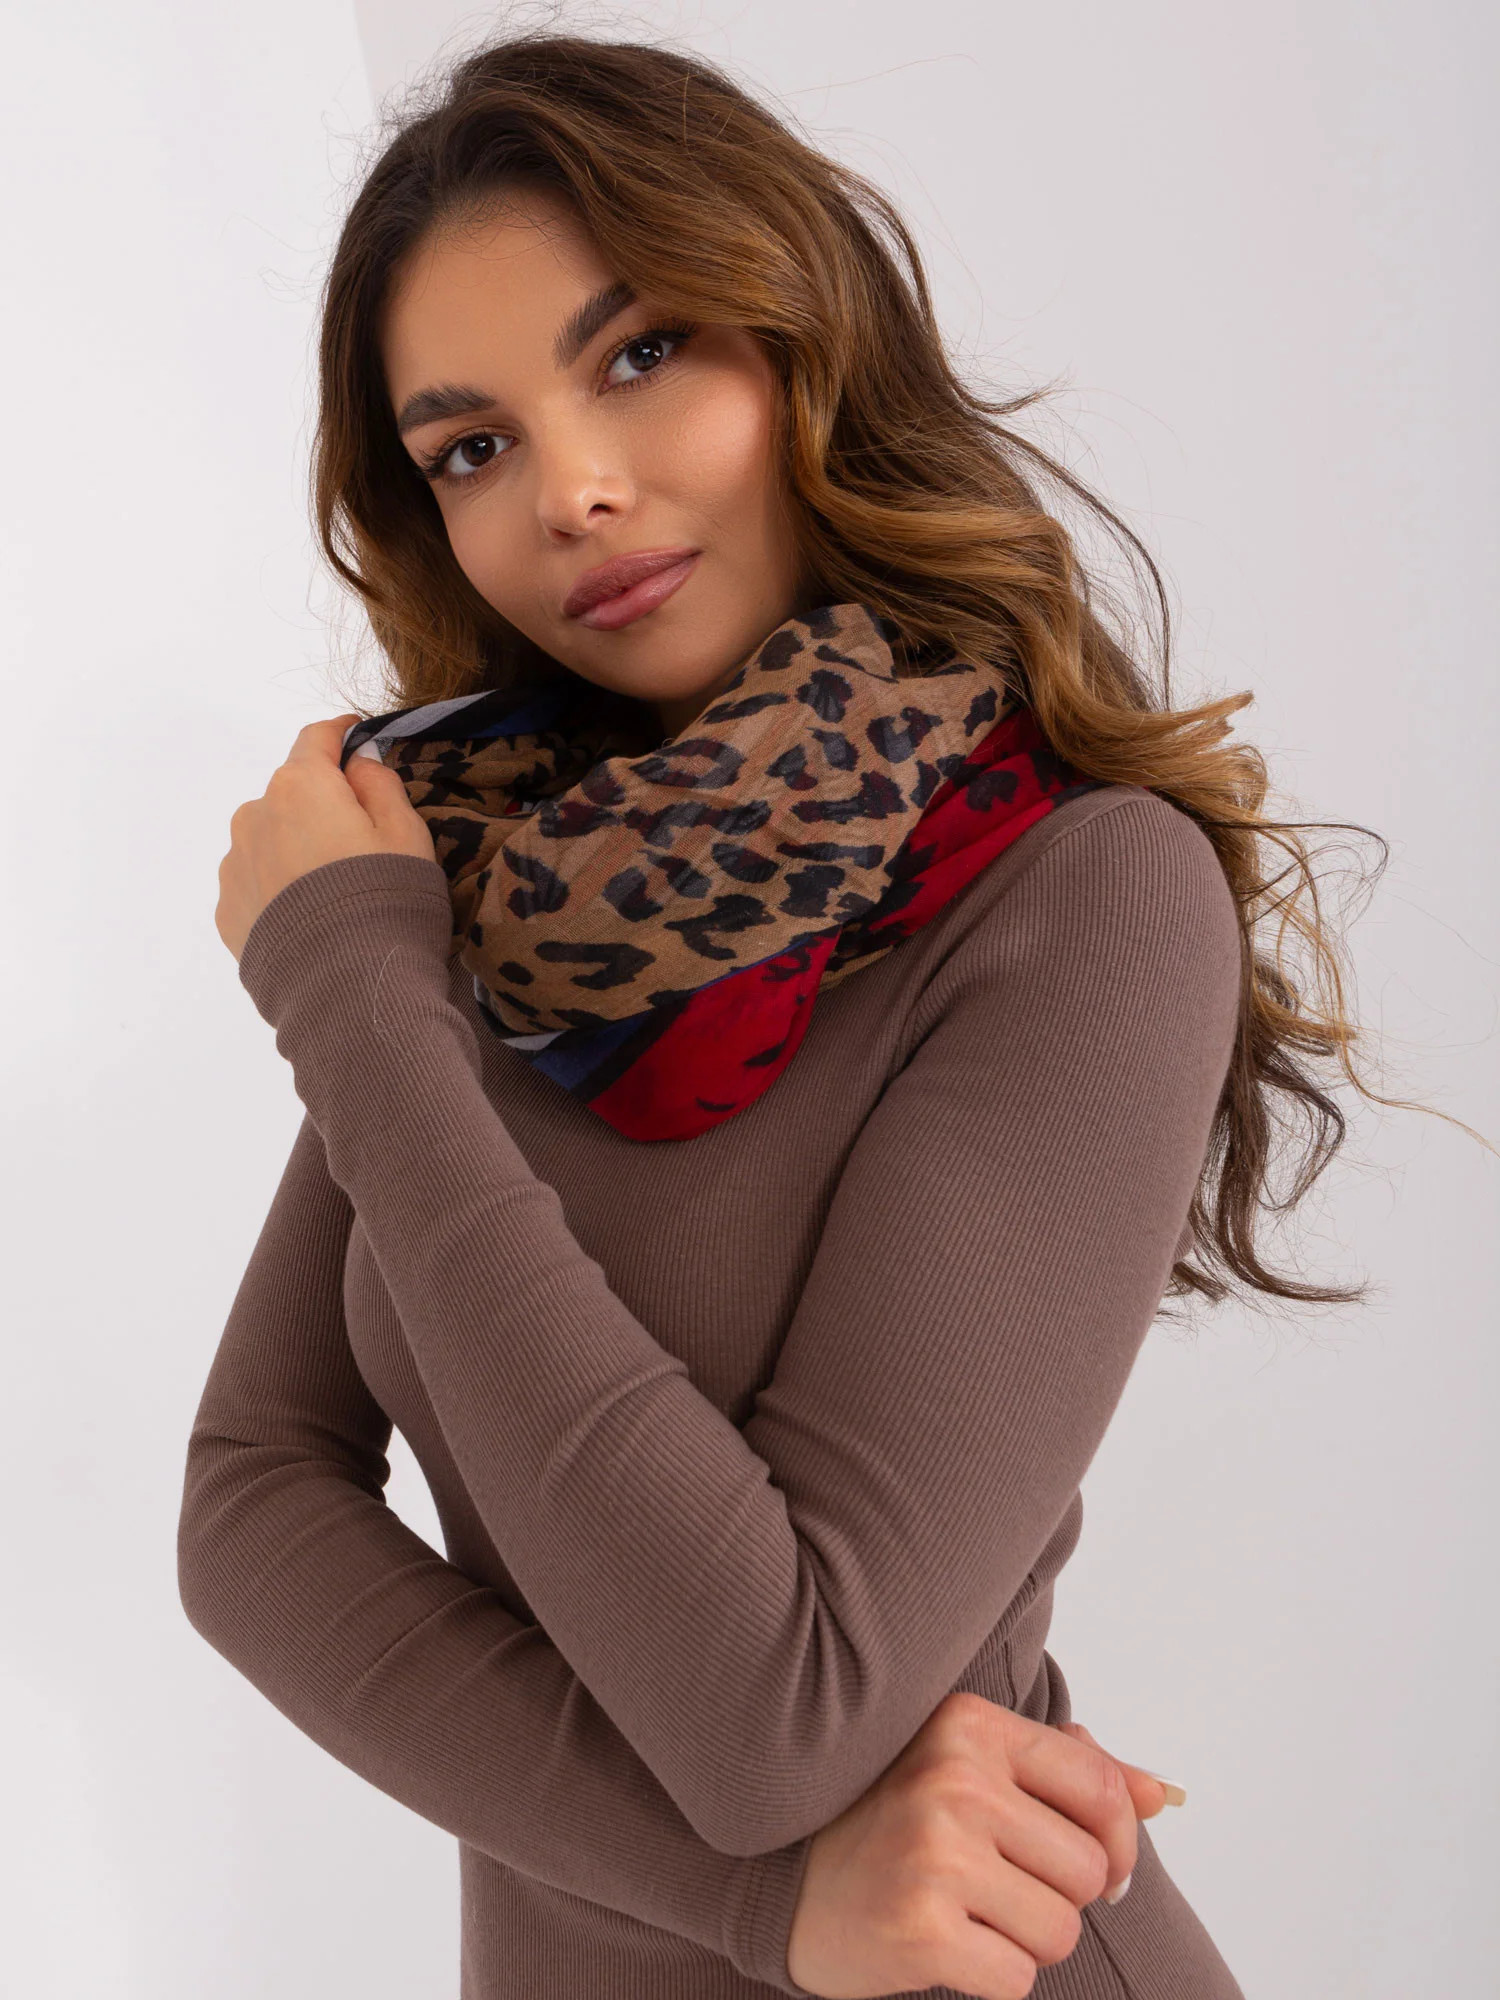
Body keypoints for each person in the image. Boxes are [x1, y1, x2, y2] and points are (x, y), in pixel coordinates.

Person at [177, 30, 1426, 2000]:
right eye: (473, 447)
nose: (575, 490)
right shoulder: (496, 886)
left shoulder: (1079, 893)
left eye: (640, 354)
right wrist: (753, 1904)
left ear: (804, 346)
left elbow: (779, 1710)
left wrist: (350, 991)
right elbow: (250, 1502)